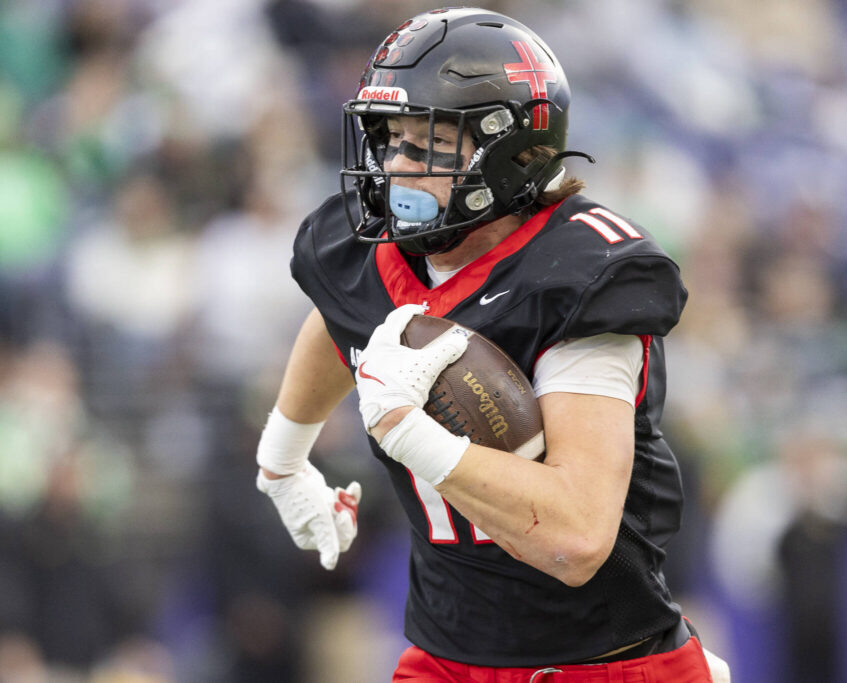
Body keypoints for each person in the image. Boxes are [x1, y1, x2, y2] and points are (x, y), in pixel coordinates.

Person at [255, 7, 727, 681]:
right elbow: (342, 317)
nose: (396, 165)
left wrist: (411, 433)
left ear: (511, 150)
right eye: (391, 139)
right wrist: (283, 455)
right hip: (444, 656)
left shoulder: (575, 273)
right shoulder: (371, 250)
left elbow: (578, 536)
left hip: (598, 662)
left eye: (428, 144)